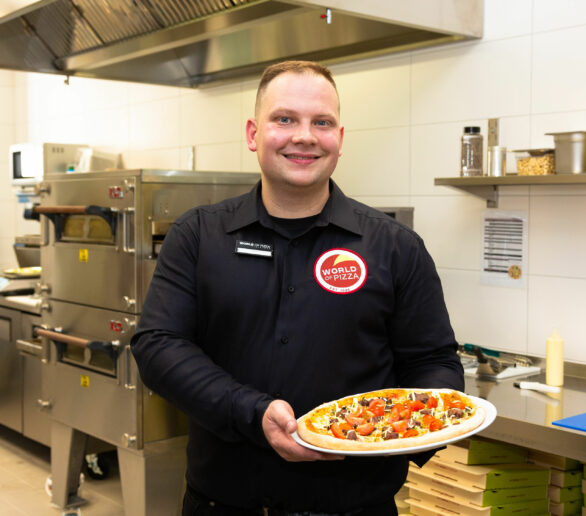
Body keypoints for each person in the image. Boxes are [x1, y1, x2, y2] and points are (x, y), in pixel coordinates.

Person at [131, 60, 463, 516]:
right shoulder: (199, 235)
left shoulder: (395, 247)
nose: (304, 136)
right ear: (253, 134)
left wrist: (409, 428)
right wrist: (251, 412)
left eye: (321, 122)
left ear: (339, 139)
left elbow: (434, 362)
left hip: (354, 508)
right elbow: (157, 345)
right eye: (284, 119)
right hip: (221, 504)